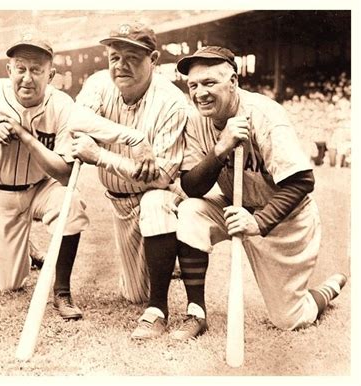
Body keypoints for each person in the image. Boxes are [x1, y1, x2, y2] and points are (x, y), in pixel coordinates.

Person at [172, 46, 347, 340]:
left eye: (209, 83)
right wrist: (220, 149)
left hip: (285, 220)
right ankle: (195, 312)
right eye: (193, 85)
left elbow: (303, 181)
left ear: (234, 81)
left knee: (290, 318)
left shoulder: (265, 114)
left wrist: (258, 222)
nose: (200, 92)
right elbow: (192, 187)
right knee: (191, 212)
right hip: (232, 205)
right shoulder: (194, 120)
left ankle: (327, 289)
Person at [0, 32, 89, 320]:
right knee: (6, 284)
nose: (27, 77)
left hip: (42, 187)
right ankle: (26, 248)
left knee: (70, 204)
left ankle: (62, 292)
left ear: (51, 74)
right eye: (21, 68)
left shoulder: (62, 106)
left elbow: (64, 174)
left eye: (36, 70)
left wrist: (25, 136)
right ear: (8, 70)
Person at [70, 22, 188, 339]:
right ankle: (165, 257)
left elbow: (161, 176)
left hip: (159, 195)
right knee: (133, 294)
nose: (121, 65)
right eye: (114, 56)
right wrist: (134, 139)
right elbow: (75, 120)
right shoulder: (98, 83)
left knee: (156, 203)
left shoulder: (172, 101)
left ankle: (165, 271)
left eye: (132, 57)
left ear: (154, 58)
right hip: (118, 201)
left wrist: (102, 156)